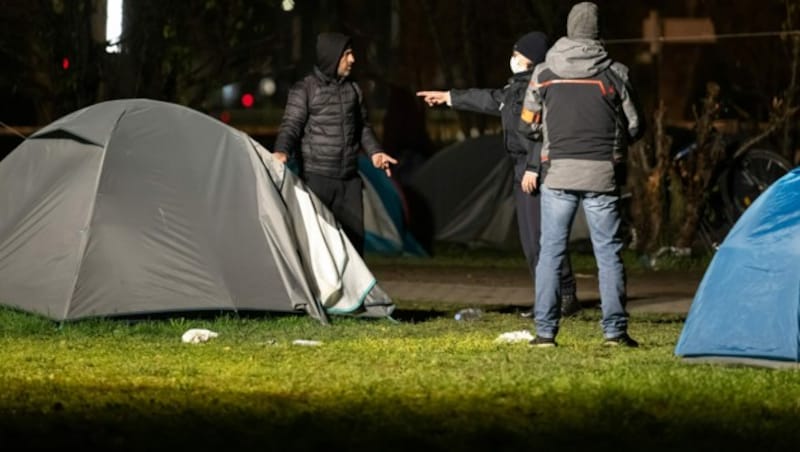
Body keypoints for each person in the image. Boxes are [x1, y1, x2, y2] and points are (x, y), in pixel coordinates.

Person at [416, 32, 580, 318]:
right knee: (531, 242)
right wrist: (449, 97)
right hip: (521, 170)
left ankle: (562, 295)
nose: (513, 57)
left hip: (538, 171)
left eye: (518, 53)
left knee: (544, 239)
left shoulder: (541, 87)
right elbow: (489, 99)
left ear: (531, 58)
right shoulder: (516, 88)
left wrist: (533, 167)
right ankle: (549, 298)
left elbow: (543, 133)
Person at [519, 2, 644, 348]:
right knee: (608, 254)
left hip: (557, 175)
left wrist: (546, 137)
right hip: (602, 176)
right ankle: (614, 333)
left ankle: (545, 332)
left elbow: (528, 124)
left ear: (570, 29)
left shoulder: (544, 72)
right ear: (598, 32)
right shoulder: (615, 72)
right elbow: (635, 124)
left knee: (551, 254)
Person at [273, 32, 397, 257]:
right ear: (333, 56)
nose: (352, 60)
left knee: (353, 249)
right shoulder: (305, 89)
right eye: (347, 54)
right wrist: (281, 151)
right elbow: (291, 125)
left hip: (349, 182)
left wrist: (376, 153)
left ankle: (352, 293)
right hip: (317, 180)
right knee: (317, 251)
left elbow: (363, 128)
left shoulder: (353, 90)